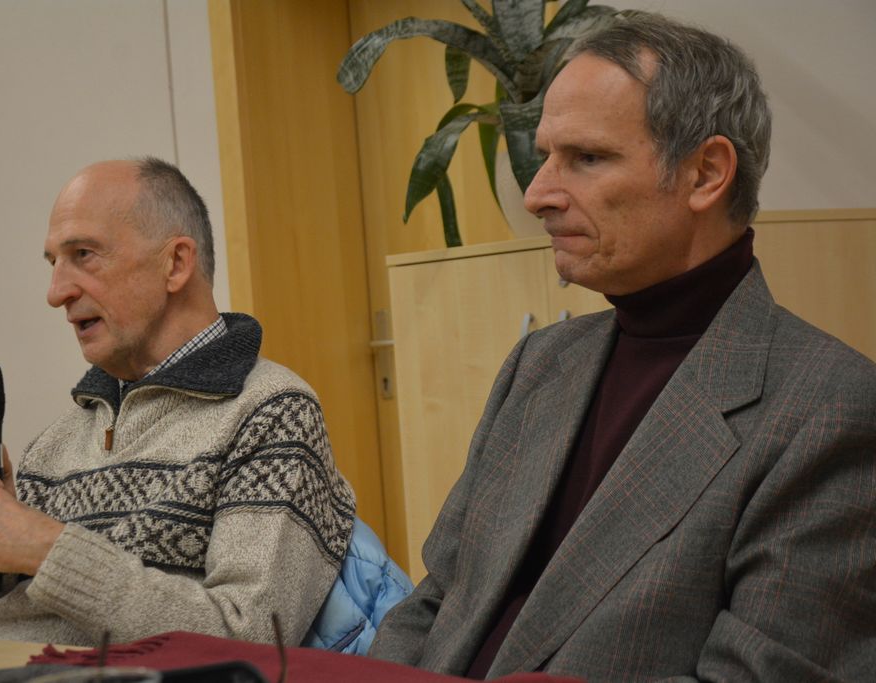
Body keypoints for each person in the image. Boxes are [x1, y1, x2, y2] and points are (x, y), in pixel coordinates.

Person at [369, 12, 876, 681]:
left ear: (706, 173)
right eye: (546, 155)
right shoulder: (540, 362)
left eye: (587, 158)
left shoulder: (830, 408)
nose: (538, 195)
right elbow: (437, 599)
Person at [0, 157, 357, 647]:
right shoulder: (53, 444)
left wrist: (47, 550)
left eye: (84, 254)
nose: (56, 292)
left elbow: (252, 636)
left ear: (175, 263)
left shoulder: (272, 414)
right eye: (53, 263)